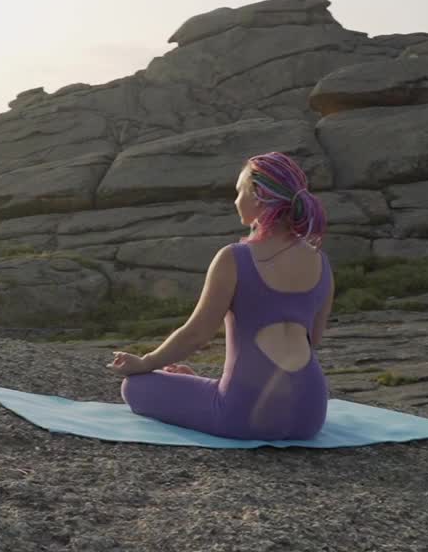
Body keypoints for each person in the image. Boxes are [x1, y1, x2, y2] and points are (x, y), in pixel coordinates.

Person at [107, 151, 334, 440]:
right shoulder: (321, 262)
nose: (236, 200)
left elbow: (197, 334)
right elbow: (312, 340)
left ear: (258, 194)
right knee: (204, 385)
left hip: (245, 414)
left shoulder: (235, 258)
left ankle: (206, 388)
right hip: (310, 413)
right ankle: (205, 386)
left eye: (239, 191)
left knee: (134, 387)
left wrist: (144, 362)